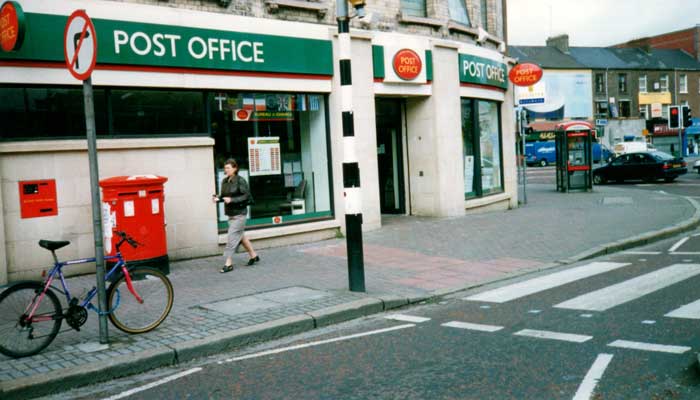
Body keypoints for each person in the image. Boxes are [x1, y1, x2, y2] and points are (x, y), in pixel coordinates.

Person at [213, 158, 259, 273]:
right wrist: (218, 198)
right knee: (241, 237)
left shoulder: (240, 180)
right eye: (225, 168)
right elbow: (224, 196)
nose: (226, 170)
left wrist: (232, 199)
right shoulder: (225, 181)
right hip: (231, 214)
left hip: (240, 214)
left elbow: (246, 196)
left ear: (235, 168)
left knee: (231, 238)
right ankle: (254, 255)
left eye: (228, 168)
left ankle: (228, 264)